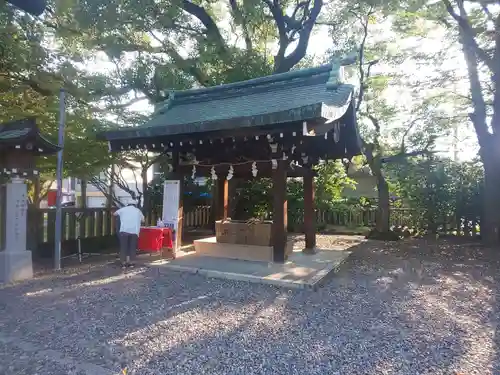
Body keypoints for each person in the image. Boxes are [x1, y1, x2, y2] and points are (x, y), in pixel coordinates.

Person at [113, 201, 144, 268]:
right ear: (135, 205)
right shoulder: (138, 211)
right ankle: (131, 263)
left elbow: (114, 214)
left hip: (124, 230)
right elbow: (143, 220)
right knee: (132, 247)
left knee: (123, 247)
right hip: (134, 231)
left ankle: (123, 263)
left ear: (127, 204)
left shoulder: (123, 209)